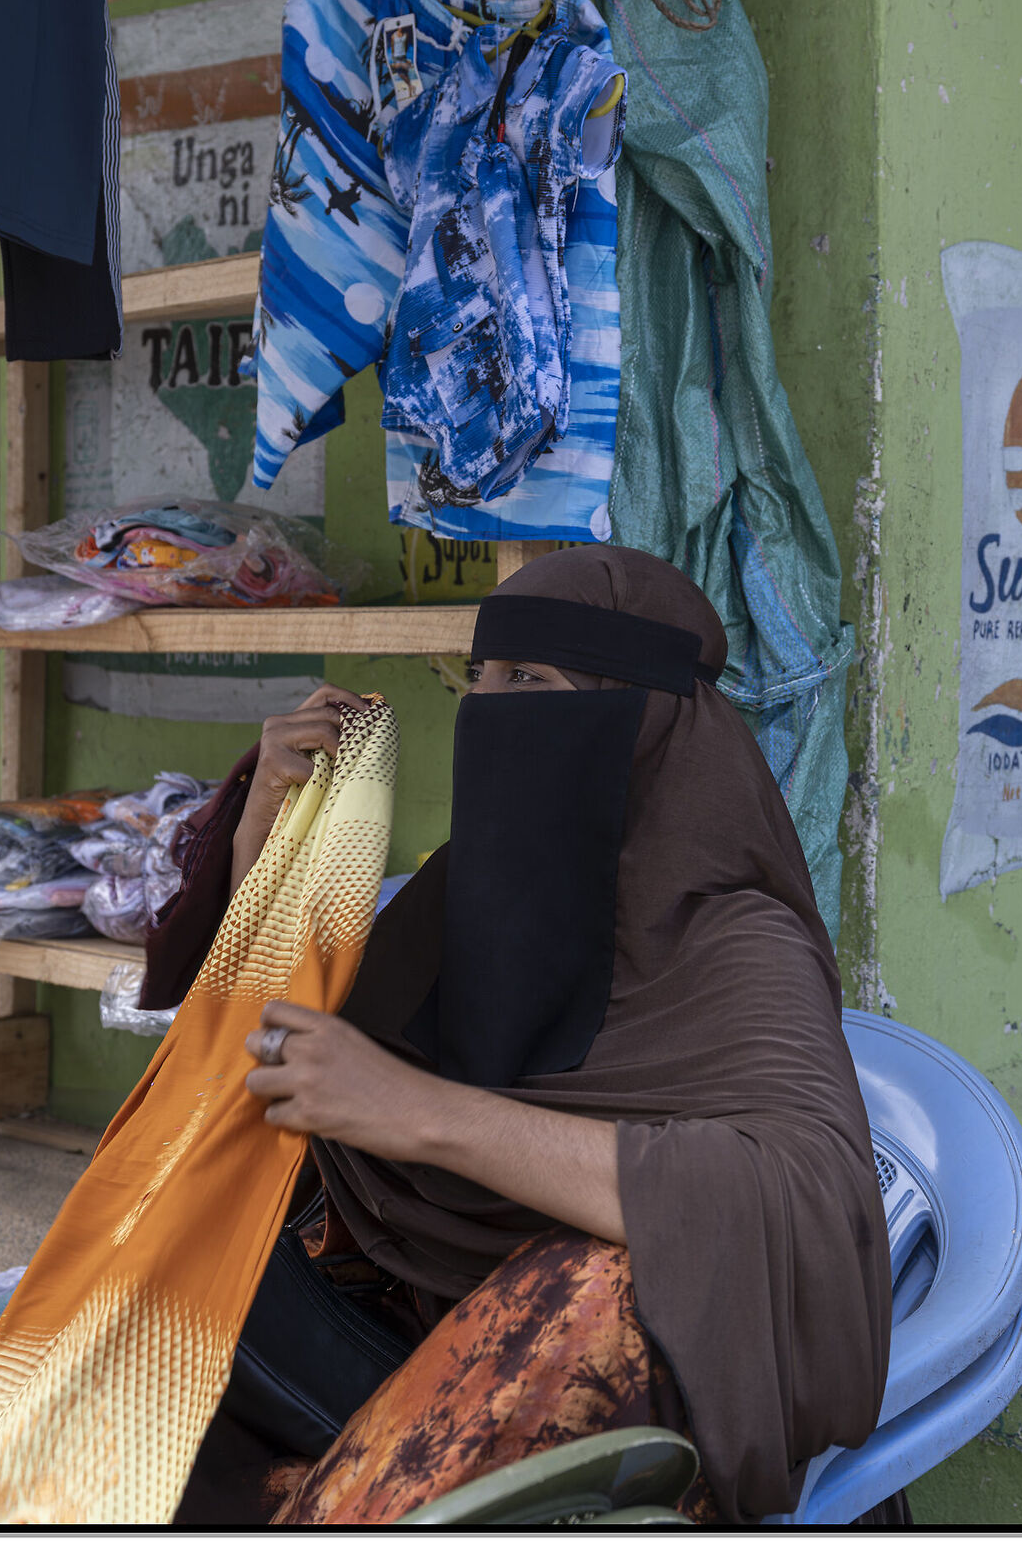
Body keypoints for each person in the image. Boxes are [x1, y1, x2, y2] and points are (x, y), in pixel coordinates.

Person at [149, 544, 892, 1524]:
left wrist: (426, 1114)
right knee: (157, 1288)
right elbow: (281, 1053)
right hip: (404, 1316)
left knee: (590, 1284)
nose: (489, 711)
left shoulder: (733, 934)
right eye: (483, 676)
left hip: (584, 1384)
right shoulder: (489, 881)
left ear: (639, 720)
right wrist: (265, 837)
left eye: (529, 680)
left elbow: (802, 1197)